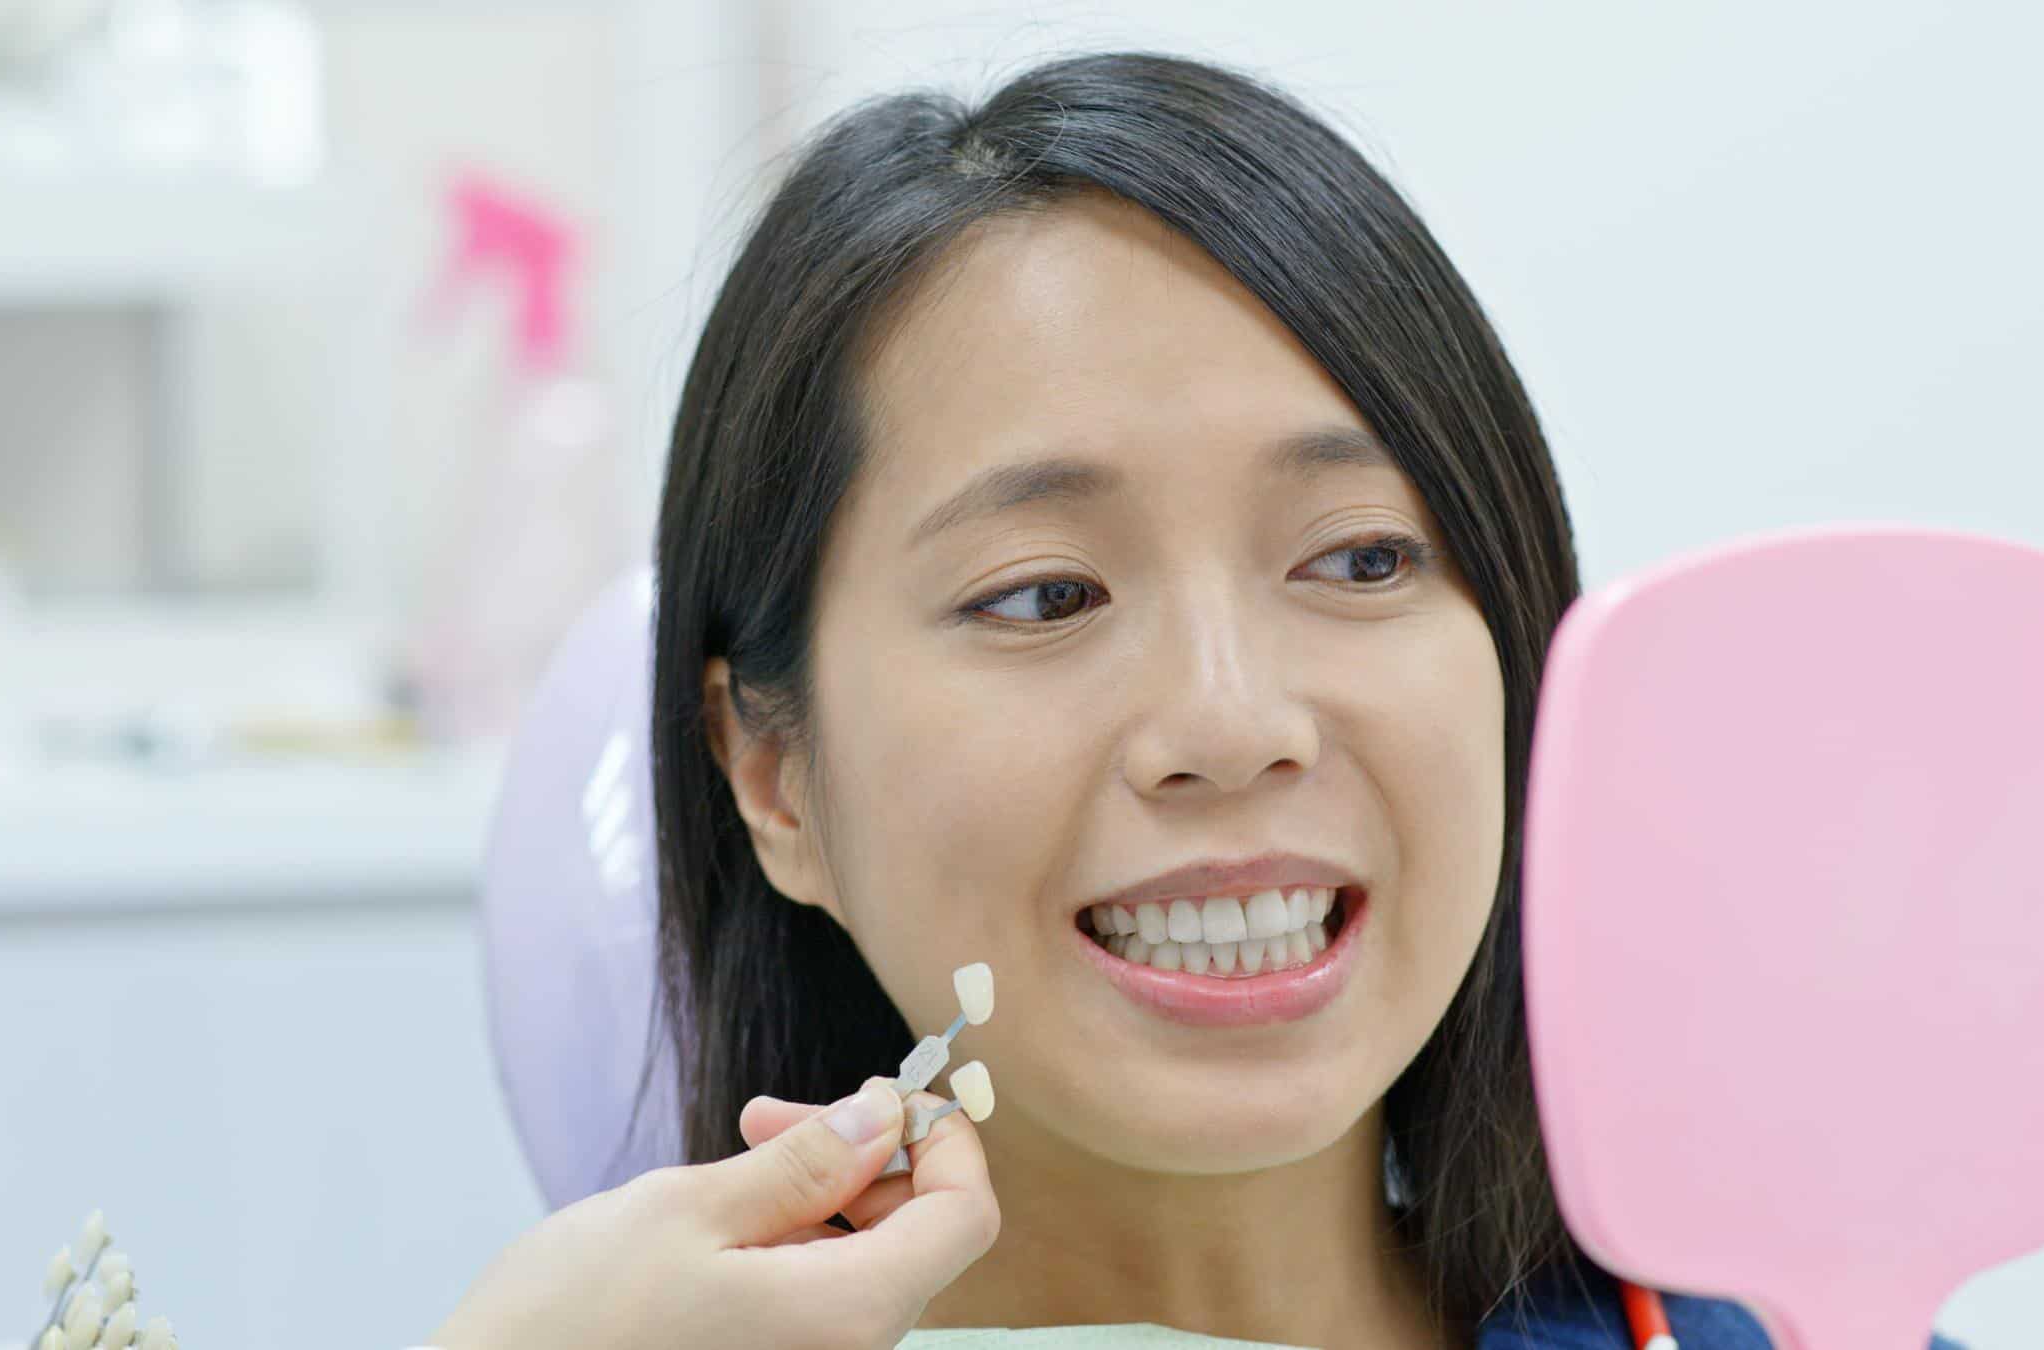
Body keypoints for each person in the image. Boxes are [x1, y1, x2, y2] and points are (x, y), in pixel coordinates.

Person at [433, 51, 1965, 1349]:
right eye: (1042, 593)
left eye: (1363, 557)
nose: (1233, 725)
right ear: (772, 775)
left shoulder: (1776, 1321)